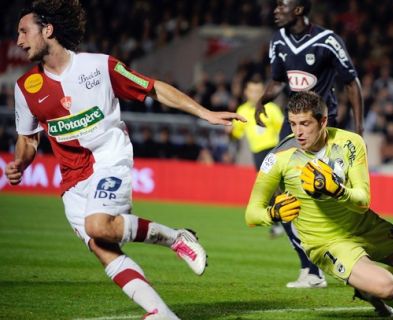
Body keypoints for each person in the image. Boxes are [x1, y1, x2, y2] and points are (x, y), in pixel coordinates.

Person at [5, 1, 245, 319]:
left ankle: (175, 238)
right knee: (103, 246)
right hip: (71, 180)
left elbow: (153, 88)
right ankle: (160, 313)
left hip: (109, 157)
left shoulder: (100, 66)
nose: (19, 40)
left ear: (48, 31)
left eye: (24, 31)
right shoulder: (25, 88)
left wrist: (205, 113)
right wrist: (21, 163)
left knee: (98, 225)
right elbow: (28, 138)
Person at [245, 91, 393, 320]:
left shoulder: (350, 142)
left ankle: (365, 284)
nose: (298, 132)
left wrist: (337, 191)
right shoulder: (280, 156)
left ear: (323, 121)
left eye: (305, 123)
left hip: (363, 224)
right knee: (387, 287)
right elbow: (252, 213)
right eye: (292, 124)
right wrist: (273, 213)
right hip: (326, 242)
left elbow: (363, 200)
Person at [255, 0, 365, 289]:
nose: (276, 9)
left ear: (299, 10)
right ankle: (311, 270)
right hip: (291, 124)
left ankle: (340, 261)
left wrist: (359, 128)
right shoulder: (277, 41)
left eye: (282, 5)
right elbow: (279, 81)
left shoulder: (328, 41)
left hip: (321, 124)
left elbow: (352, 83)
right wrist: (261, 100)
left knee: (317, 193)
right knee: (279, 188)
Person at [229, 77, 286, 239]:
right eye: (251, 91)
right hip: (257, 154)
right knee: (268, 189)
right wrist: (230, 132)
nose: (254, 94)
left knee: (271, 187)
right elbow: (237, 133)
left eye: (258, 91)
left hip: (273, 151)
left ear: (263, 92)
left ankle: (281, 222)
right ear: (246, 92)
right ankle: (280, 222)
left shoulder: (272, 108)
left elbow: (283, 130)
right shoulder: (242, 111)